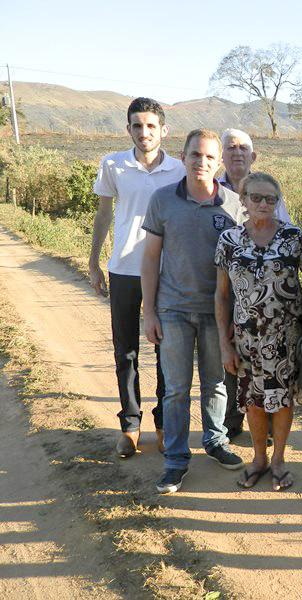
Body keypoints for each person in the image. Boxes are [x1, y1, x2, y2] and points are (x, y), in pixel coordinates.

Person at [142, 129, 245, 494]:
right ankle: (175, 460)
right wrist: (149, 312)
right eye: (195, 155)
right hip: (173, 309)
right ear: (183, 157)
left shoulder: (234, 205)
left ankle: (215, 441)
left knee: (216, 382)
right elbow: (150, 259)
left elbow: (242, 265)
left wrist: (237, 316)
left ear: (219, 163)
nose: (202, 162)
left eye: (209, 157)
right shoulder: (162, 200)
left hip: (217, 312)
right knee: (176, 389)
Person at [90, 97, 185, 458]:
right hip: (124, 270)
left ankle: (163, 424)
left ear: (164, 130)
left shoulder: (179, 170)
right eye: (137, 125)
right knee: (126, 350)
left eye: (150, 126)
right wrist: (94, 262)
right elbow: (103, 215)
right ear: (128, 129)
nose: (144, 132)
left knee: (166, 352)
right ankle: (130, 425)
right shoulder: (113, 164)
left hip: (166, 272)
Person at [215, 172, 302, 490]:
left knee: (283, 399)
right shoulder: (229, 240)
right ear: (243, 200)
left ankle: (279, 460)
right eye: (256, 197)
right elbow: (222, 295)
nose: (263, 204)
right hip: (246, 339)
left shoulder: (293, 237)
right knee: (253, 401)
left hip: (286, 338)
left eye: (271, 199)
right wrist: (224, 344)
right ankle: (259, 459)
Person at [218, 128, 291, 439]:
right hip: (232, 291)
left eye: (243, 148)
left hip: (271, 302)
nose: (237, 153)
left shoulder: (269, 191)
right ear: (221, 155)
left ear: (253, 155)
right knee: (235, 363)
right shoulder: (212, 189)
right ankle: (231, 422)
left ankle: (269, 428)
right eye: (231, 147)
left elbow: (288, 246)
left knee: (272, 367)